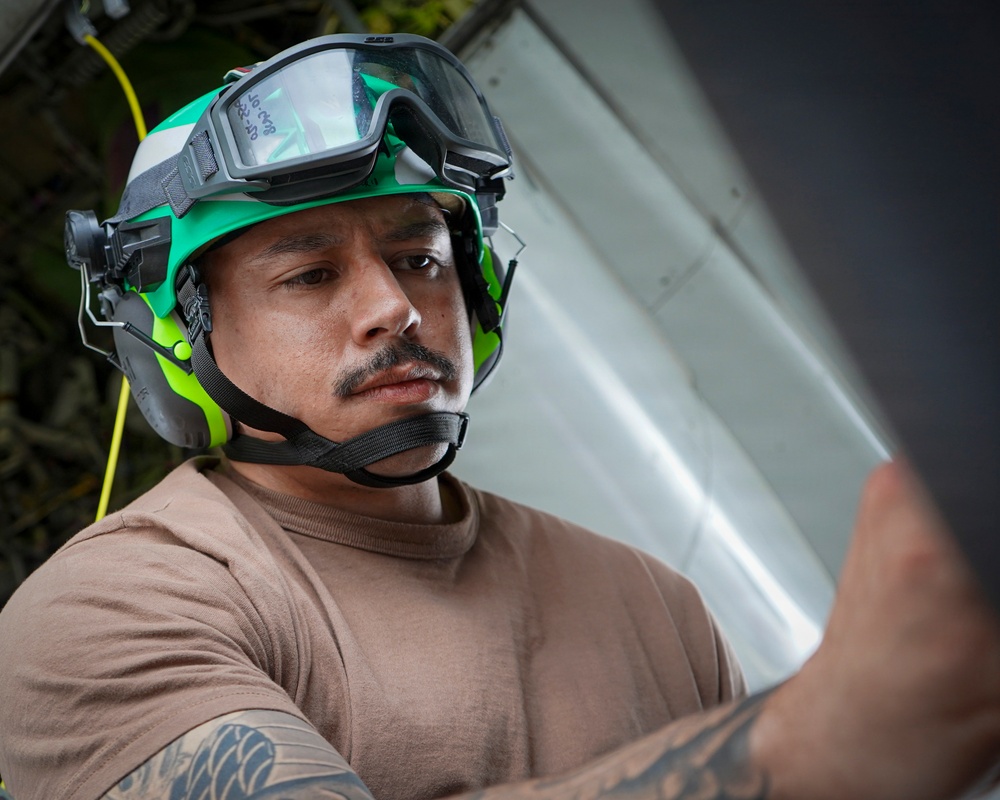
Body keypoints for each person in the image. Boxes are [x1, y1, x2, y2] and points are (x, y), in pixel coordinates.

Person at [0, 33, 997, 800]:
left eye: (421, 255)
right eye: (309, 272)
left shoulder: (654, 600)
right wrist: (812, 736)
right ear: (180, 333)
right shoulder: (109, 611)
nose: (392, 304)